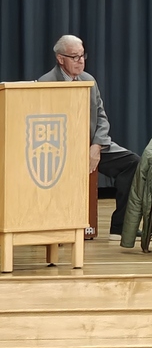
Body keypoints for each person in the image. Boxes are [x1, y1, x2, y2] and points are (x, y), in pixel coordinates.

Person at [38, 35, 140, 241]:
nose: (80, 61)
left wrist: (97, 145)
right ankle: (56, 228)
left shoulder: (89, 80)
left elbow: (101, 117)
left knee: (132, 163)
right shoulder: (46, 82)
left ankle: (120, 227)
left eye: (82, 56)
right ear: (60, 59)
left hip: (93, 143)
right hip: (61, 149)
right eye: (74, 57)